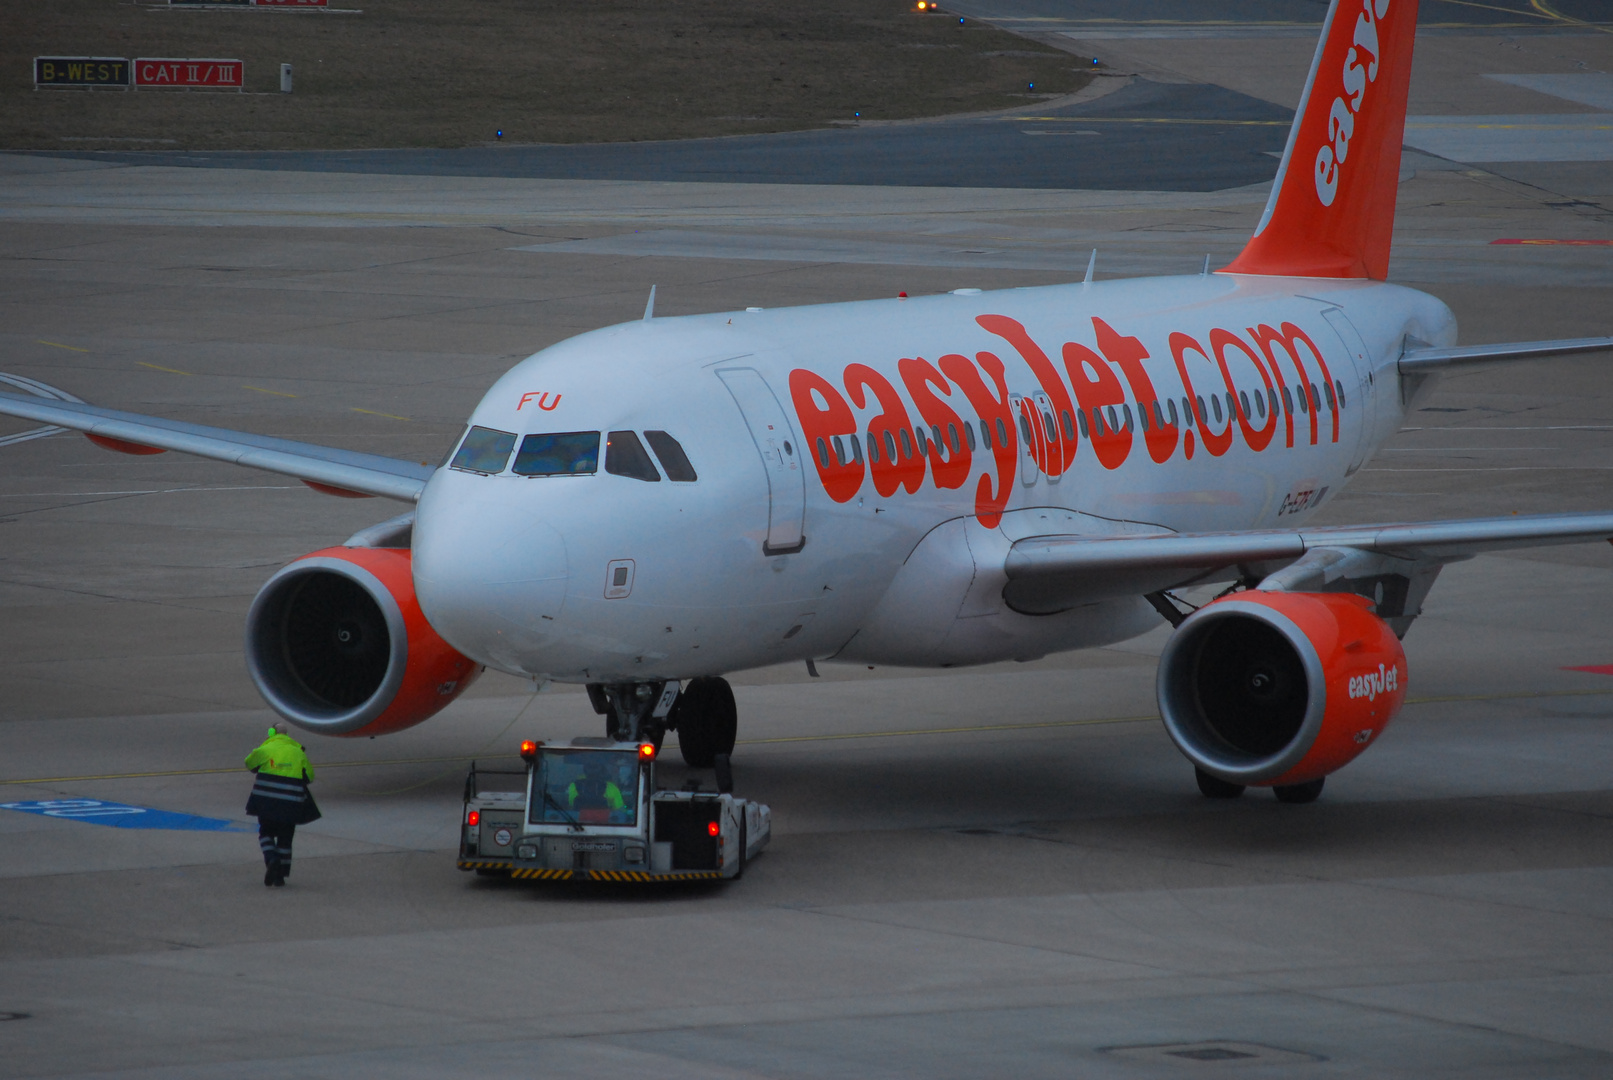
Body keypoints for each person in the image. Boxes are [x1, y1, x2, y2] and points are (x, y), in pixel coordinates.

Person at [244, 722, 321, 887]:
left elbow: (249, 763)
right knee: (286, 838)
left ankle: (272, 858)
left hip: (266, 802)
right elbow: (309, 776)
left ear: (271, 732)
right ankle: (280, 877)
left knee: (265, 833)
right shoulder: (297, 752)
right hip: (291, 804)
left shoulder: (265, 750)